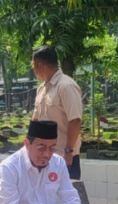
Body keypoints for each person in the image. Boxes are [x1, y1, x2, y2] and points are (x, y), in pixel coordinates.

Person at [30, 45, 84, 179]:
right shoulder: (42, 89)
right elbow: (35, 121)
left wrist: (69, 150)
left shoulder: (66, 86)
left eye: (33, 66)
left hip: (64, 156)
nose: (33, 70)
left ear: (40, 65)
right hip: (43, 156)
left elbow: (75, 120)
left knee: (65, 197)